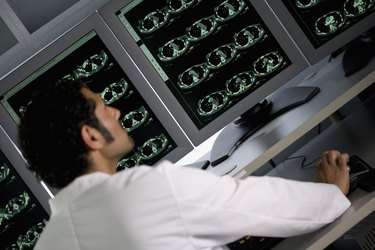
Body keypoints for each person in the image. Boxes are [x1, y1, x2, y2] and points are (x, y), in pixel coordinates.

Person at [18, 79, 351, 250]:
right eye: (103, 107)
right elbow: (277, 209)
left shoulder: (47, 244)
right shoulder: (147, 190)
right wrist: (332, 192)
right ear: (91, 137)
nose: (116, 112)